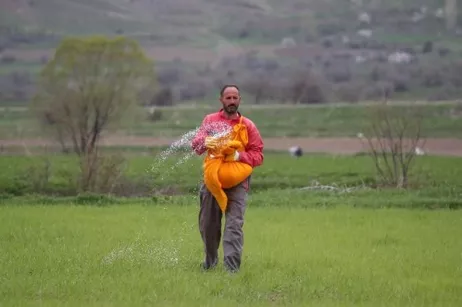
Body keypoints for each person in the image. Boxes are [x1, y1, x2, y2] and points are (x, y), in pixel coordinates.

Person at [191, 84, 264, 273]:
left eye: (235, 98)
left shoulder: (248, 126)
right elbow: (196, 146)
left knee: (234, 226)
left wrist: (239, 156)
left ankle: (232, 270)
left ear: (240, 100)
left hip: (238, 184)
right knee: (208, 225)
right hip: (212, 182)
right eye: (228, 98)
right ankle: (210, 263)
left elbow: (258, 155)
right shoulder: (210, 121)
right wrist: (206, 142)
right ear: (221, 100)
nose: (232, 101)